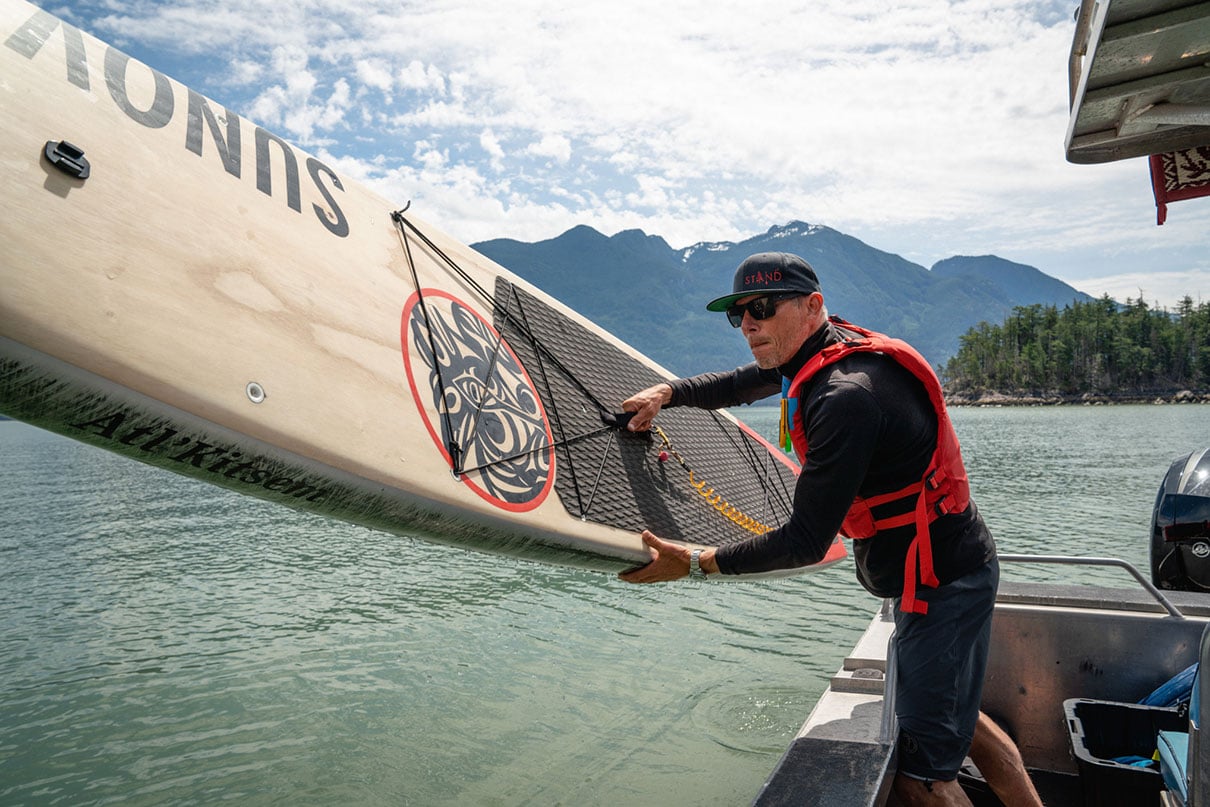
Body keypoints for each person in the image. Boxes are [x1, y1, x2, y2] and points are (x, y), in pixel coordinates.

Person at [618, 252, 1042, 807]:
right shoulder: (827, 348)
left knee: (925, 780)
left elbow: (805, 541)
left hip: (941, 588)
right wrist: (668, 393)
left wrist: (696, 564)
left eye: (762, 309)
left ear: (812, 306)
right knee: (964, 722)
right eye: (738, 314)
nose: (748, 324)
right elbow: (746, 383)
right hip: (950, 569)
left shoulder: (848, 396)